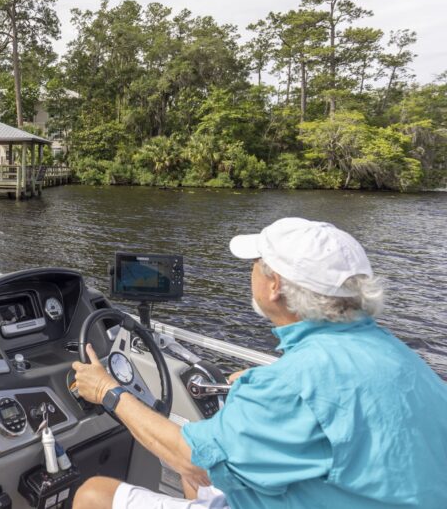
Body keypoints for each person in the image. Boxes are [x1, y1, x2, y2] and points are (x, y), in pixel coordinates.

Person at [72, 217, 447, 509]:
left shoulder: (291, 386)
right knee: (202, 470)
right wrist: (270, 384)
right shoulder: (399, 356)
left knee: (93, 495)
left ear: (274, 285)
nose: (250, 270)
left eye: (255, 263)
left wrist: (107, 391)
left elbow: (192, 461)